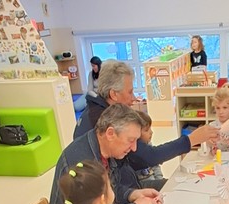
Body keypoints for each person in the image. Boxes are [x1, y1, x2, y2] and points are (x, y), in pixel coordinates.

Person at [46, 104, 162, 204]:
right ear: (110, 133)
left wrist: (131, 194)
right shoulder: (82, 163)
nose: (134, 148)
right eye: (131, 140)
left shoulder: (105, 149)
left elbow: (108, 193)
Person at [73, 60, 218, 171]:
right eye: (130, 92)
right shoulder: (104, 120)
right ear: (114, 94)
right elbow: (148, 156)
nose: (133, 98)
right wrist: (192, 139)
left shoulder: (92, 111)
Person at [133, 111, 166, 190]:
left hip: (155, 182)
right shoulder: (134, 153)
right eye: (146, 130)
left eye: (150, 128)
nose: (151, 132)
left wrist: (160, 180)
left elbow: (155, 166)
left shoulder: (148, 145)